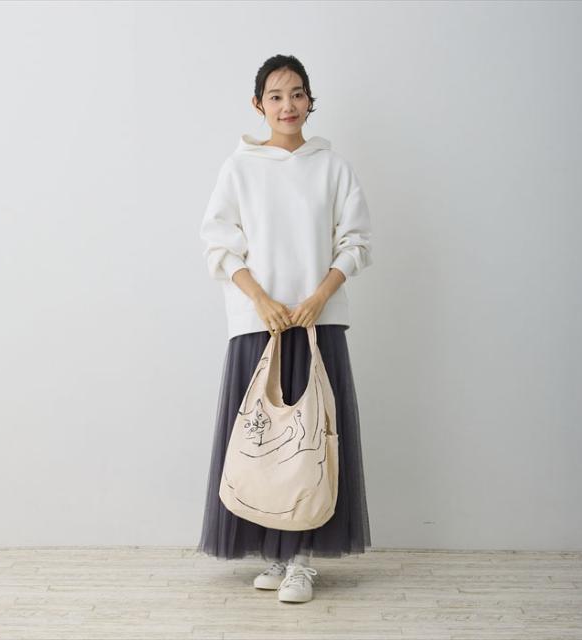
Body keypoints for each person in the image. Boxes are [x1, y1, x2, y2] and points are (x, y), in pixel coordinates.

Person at [197, 54, 373, 604]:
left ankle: (301, 561)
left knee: (312, 442)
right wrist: (260, 300)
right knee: (263, 443)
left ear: (310, 101)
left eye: (297, 94)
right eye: (275, 96)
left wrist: (319, 297)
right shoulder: (239, 168)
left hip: (319, 321)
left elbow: (356, 241)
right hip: (260, 322)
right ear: (258, 104)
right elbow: (218, 244)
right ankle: (274, 554)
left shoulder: (333, 167)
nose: (287, 105)